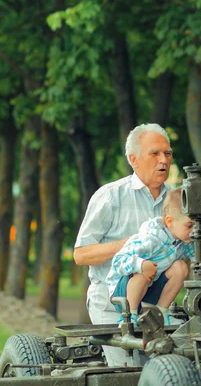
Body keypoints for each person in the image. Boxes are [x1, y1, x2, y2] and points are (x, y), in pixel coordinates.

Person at [74, 123, 187, 366]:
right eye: (154, 153)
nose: (163, 160)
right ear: (133, 159)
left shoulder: (177, 200)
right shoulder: (110, 196)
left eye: (167, 153)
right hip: (112, 305)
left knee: (169, 370)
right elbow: (81, 255)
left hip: (156, 306)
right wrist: (129, 244)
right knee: (130, 374)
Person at [106, 187, 201, 326]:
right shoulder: (150, 238)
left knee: (180, 267)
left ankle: (161, 313)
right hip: (123, 295)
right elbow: (118, 261)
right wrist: (141, 265)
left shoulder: (183, 241)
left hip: (149, 293)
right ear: (169, 221)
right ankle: (129, 317)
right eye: (189, 225)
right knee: (142, 272)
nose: (194, 231)